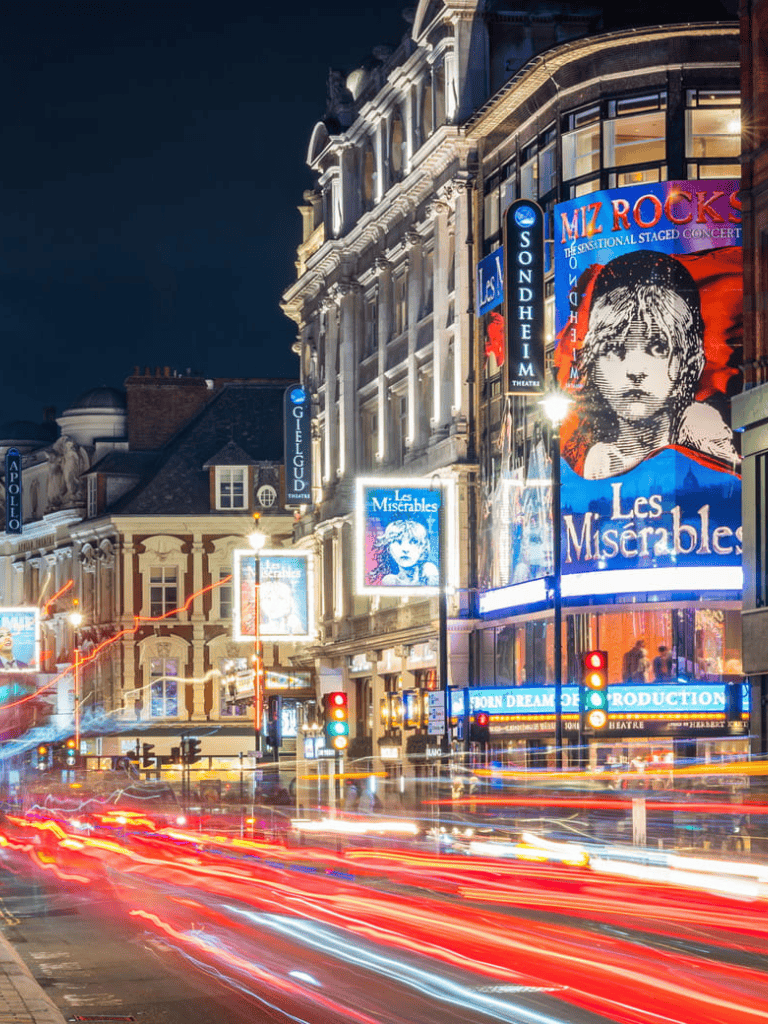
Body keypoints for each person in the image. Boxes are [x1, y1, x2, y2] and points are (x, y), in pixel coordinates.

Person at [564, 249, 739, 480]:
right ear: (591, 364)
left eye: (657, 348)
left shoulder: (721, 444)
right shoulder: (583, 459)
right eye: (614, 349)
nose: (635, 371)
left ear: (692, 362)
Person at [368, 518, 439, 587]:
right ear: (388, 548)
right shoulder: (390, 581)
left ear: (423, 548)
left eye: (414, 542)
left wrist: (433, 578)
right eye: (398, 541)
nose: (405, 549)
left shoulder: (430, 574)